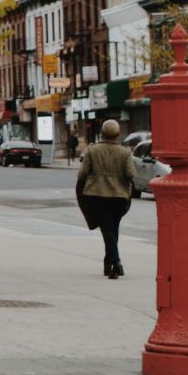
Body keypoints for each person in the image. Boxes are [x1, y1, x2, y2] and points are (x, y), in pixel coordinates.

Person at [77, 119, 140, 278]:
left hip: (97, 194)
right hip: (119, 196)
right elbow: (131, 174)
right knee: (113, 228)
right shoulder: (125, 152)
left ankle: (115, 262)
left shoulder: (92, 150)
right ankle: (108, 263)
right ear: (118, 134)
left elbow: (83, 173)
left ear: (102, 132)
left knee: (108, 230)